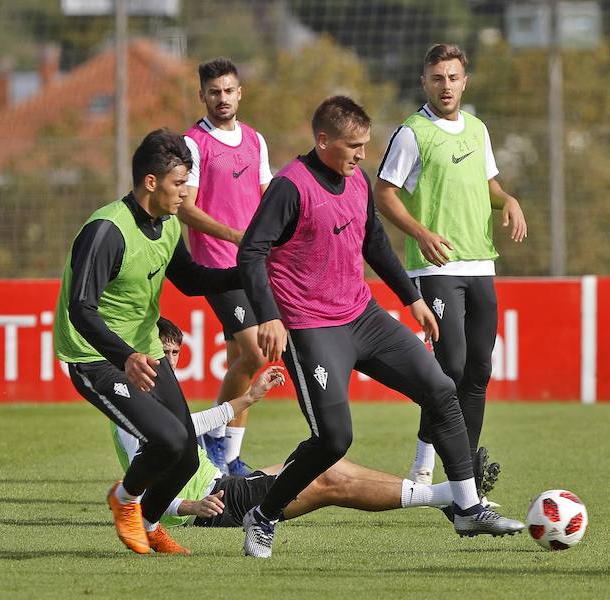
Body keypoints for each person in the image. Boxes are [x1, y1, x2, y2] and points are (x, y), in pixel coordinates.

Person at [236, 95, 524, 558]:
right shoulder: (290, 186)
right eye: (353, 145)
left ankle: (468, 508)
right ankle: (264, 515)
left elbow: (375, 246)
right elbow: (250, 251)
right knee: (334, 439)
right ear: (323, 140)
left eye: (365, 144)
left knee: (441, 388)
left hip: (363, 316)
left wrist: (412, 299)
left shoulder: (357, 180)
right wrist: (269, 315)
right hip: (311, 328)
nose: (361, 155)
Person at [53, 128, 243, 556]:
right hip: (94, 356)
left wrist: (247, 272)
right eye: (179, 184)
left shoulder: (169, 224)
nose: (185, 194)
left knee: (188, 458)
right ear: (151, 182)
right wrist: (125, 356)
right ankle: (125, 499)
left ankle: (152, 523)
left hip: (143, 352)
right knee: (169, 441)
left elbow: (192, 281)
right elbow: (81, 309)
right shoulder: (107, 231)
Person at [111, 317, 463, 530]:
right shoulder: (132, 411)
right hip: (214, 505)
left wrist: (246, 400)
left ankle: (448, 496)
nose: (169, 361)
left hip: (223, 485)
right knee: (330, 478)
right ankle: (450, 495)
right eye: (162, 352)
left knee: (328, 465)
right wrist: (189, 507)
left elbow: (190, 426)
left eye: (174, 352)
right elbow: (134, 492)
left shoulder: (155, 399)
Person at [374, 44, 528, 500]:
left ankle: (467, 479)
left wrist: (510, 200)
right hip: (436, 266)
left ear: (465, 81)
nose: (446, 86)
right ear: (425, 81)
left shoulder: (477, 130)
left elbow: (488, 185)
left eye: (453, 77)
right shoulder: (412, 133)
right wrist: (420, 233)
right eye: (437, 78)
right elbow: (384, 194)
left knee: (478, 371)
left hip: (481, 263)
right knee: (450, 369)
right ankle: (424, 467)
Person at [179, 58, 274, 477]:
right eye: (214, 92)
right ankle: (217, 439)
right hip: (216, 265)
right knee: (256, 353)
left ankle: (228, 457)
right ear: (202, 95)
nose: (222, 98)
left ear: (240, 93)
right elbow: (184, 207)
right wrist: (234, 236)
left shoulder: (255, 140)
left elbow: (269, 197)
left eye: (229, 90)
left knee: (241, 355)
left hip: (254, 266)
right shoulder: (194, 143)